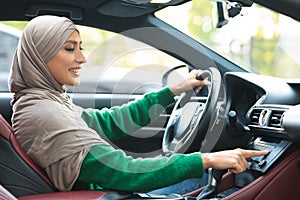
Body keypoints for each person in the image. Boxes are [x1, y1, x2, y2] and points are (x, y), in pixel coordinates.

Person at [8, 15, 269, 195]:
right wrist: (206, 159)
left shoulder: (45, 100)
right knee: (214, 178)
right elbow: (122, 170)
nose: (82, 58)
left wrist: (173, 91)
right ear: (40, 56)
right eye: (69, 49)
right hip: (108, 194)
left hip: (109, 191)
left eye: (81, 47)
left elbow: (109, 122)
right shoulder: (43, 113)